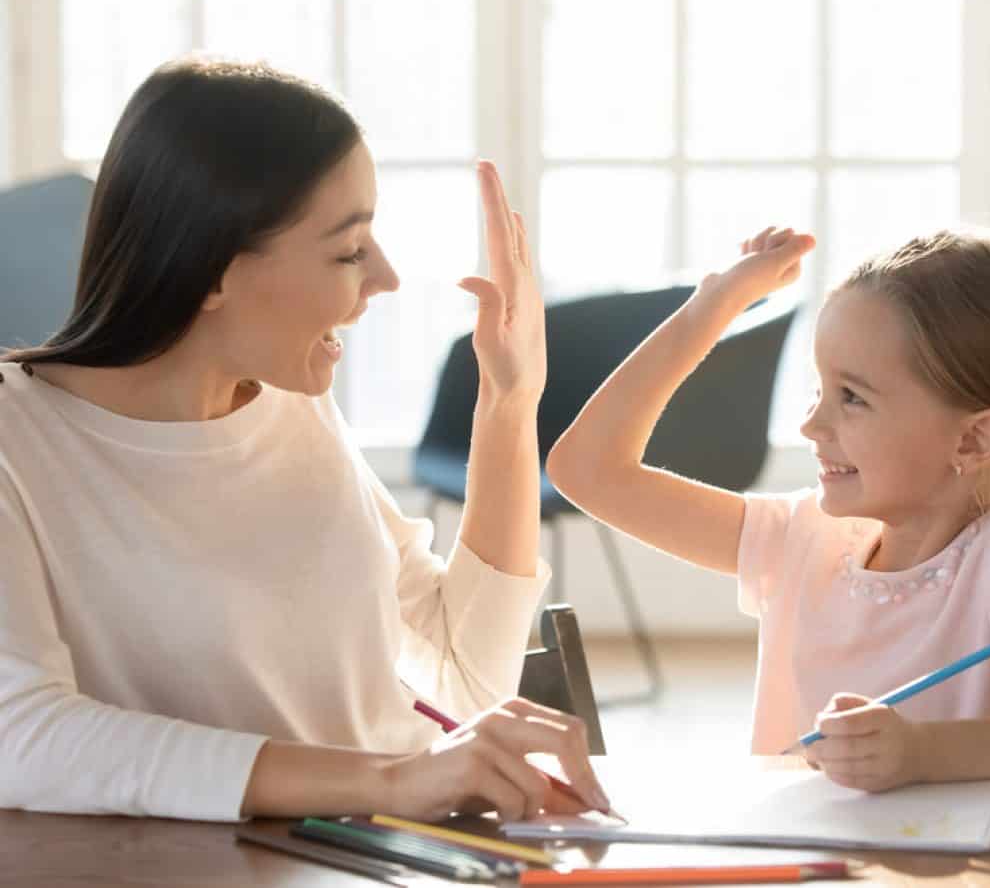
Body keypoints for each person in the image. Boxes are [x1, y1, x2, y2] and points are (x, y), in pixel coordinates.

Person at [0, 57, 611, 823]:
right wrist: (386, 782)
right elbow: (19, 737)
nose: (386, 277)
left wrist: (511, 407)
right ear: (209, 272)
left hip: (388, 852)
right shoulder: (17, 444)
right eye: (349, 250)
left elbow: (464, 673)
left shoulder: (292, 404)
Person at [547, 225, 990, 791]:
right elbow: (587, 472)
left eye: (852, 398)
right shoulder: (800, 537)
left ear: (973, 440)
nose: (813, 423)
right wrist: (715, 307)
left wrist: (923, 751)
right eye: (820, 389)